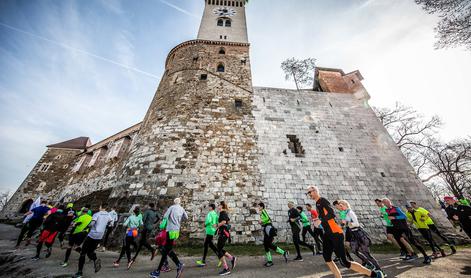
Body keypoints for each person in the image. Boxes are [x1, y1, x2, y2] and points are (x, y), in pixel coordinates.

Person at [306, 185, 384, 278]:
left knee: (344, 262)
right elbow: (325, 217)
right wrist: (317, 220)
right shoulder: (317, 203)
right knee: (327, 258)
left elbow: (332, 214)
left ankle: (375, 274)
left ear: (315, 191)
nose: (309, 194)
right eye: (308, 193)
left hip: (335, 234)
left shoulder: (322, 200)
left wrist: (321, 220)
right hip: (328, 234)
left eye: (309, 192)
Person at [337, 200, 383, 272]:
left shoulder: (350, 212)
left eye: (341, 206)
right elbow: (345, 224)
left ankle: (379, 269)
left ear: (345, 205)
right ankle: (369, 264)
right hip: (353, 234)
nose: (340, 207)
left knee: (366, 253)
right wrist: (341, 225)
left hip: (358, 233)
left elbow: (356, 224)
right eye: (339, 206)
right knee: (354, 250)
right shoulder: (345, 213)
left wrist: (347, 223)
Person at [382, 198, 431, 264]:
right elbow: (391, 219)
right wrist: (390, 221)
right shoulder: (387, 210)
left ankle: (426, 256)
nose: (386, 203)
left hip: (404, 227)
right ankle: (409, 254)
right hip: (396, 228)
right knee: (399, 241)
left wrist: (395, 218)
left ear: (389, 202)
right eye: (384, 203)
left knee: (413, 241)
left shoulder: (396, 208)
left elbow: (404, 216)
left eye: (387, 202)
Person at [149, 198, 187, 278]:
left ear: (174, 202)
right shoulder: (181, 208)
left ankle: (158, 271)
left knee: (166, 250)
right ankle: (178, 265)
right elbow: (186, 217)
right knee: (168, 249)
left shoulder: (172, 207)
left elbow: (165, 216)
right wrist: (178, 221)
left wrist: (169, 220)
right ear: (179, 202)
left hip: (170, 230)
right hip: (176, 231)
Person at [74, 203, 112, 278]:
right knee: (90, 252)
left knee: (83, 253)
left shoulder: (96, 214)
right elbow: (110, 224)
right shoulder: (108, 215)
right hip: (100, 236)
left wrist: (86, 227)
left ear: (101, 207)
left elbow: (92, 224)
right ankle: (95, 259)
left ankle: (79, 272)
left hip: (92, 235)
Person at [258, 202, 288, 267]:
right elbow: (265, 220)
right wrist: (261, 222)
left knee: (268, 244)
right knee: (266, 245)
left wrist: (261, 221)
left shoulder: (263, 211)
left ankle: (282, 253)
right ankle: (270, 260)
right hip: (266, 229)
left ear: (262, 207)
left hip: (268, 228)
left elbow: (267, 218)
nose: (258, 208)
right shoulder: (261, 212)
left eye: (259, 206)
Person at [129, 203, 159, 268]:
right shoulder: (155, 212)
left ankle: (152, 250)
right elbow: (159, 218)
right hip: (150, 228)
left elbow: (143, 219)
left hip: (145, 228)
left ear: (149, 206)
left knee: (142, 241)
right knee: (142, 242)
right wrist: (154, 223)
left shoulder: (147, 211)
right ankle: (134, 258)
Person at [215, 201, 237, 276]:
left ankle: (226, 269)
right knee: (219, 249)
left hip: (224, 233)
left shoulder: (223, 213)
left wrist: (218, 225)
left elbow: (224, 221)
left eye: (218, 205)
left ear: (221, 206)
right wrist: (217, 226)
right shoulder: (223, 213)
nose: (218, 206)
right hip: (223, 233)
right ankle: (232, 258)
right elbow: (227, 221)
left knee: (218, 250)